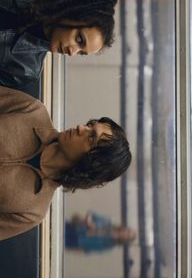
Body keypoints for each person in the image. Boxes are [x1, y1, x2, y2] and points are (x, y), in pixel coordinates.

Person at [0, 86, 131, 241]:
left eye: (90, 137)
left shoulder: (32, 211)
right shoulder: (33, 111)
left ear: (91, 163)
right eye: (89, 125)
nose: (80, 128)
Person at [0, 0, 119, 89]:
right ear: (73, 12)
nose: (72, 53)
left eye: (80, 53)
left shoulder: (25, 70)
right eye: (79, 39)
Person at [65, 211, 136, 253]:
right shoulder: (108, 222)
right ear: (126, 228)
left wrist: (71, 250)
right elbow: (90, 213)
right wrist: (89, 222)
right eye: (128, 232)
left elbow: (88, 250)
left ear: (126, 240)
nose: (126, 234)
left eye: (128, 236)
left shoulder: (110, 246)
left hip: (77, 242)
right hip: (77, 228)